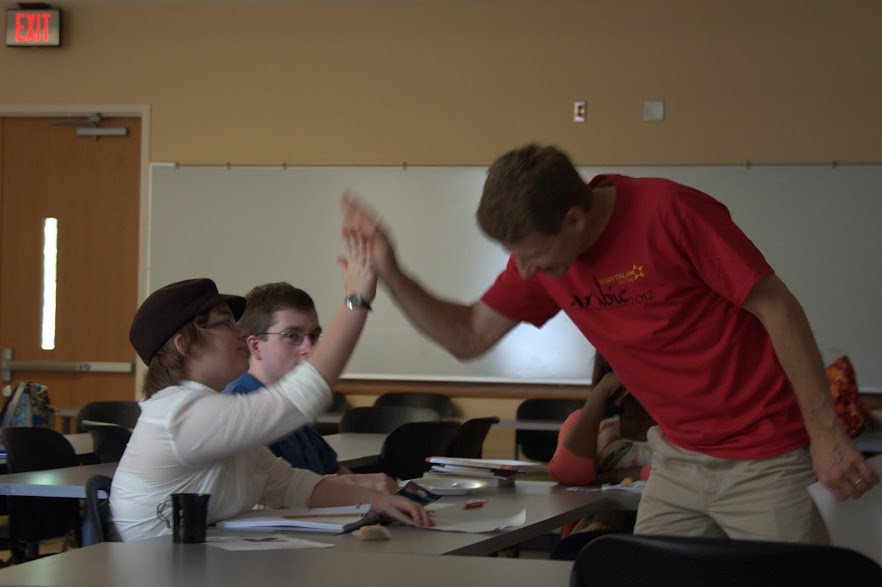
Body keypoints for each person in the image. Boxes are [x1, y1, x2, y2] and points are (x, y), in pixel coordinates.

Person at [341, 143, 879, 544]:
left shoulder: (671, 212)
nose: (523, 271)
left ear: (575, 219)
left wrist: (825, 434)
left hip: (765, 458)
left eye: (530, 255)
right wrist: (392, 274)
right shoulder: (548, 257)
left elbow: (777, 307)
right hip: (677, 458)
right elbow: (467, 336)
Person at [109, 237, 431, 542]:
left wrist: (380, 503)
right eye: (226, 323)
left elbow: (293, 486)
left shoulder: (208, 416)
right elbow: (299, 398)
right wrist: (356, 299)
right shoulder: (178, 415)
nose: (241, 334)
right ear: (185, 345)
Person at [223, 281, 397, 494]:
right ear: (255, 346)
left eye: (314, 336)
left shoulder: (292, 404)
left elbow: (336, 472)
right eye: (292, 336)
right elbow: (264, 499)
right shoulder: (237, 407)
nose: (310, 348)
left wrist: (376, 492)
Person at [549, 353, 654, 538]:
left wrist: (625, 475)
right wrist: (600, 392)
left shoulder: (683, 421)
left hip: (664, 534)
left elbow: (692, 474)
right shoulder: (586, 421)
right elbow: (569, 476)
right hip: (593, 536)